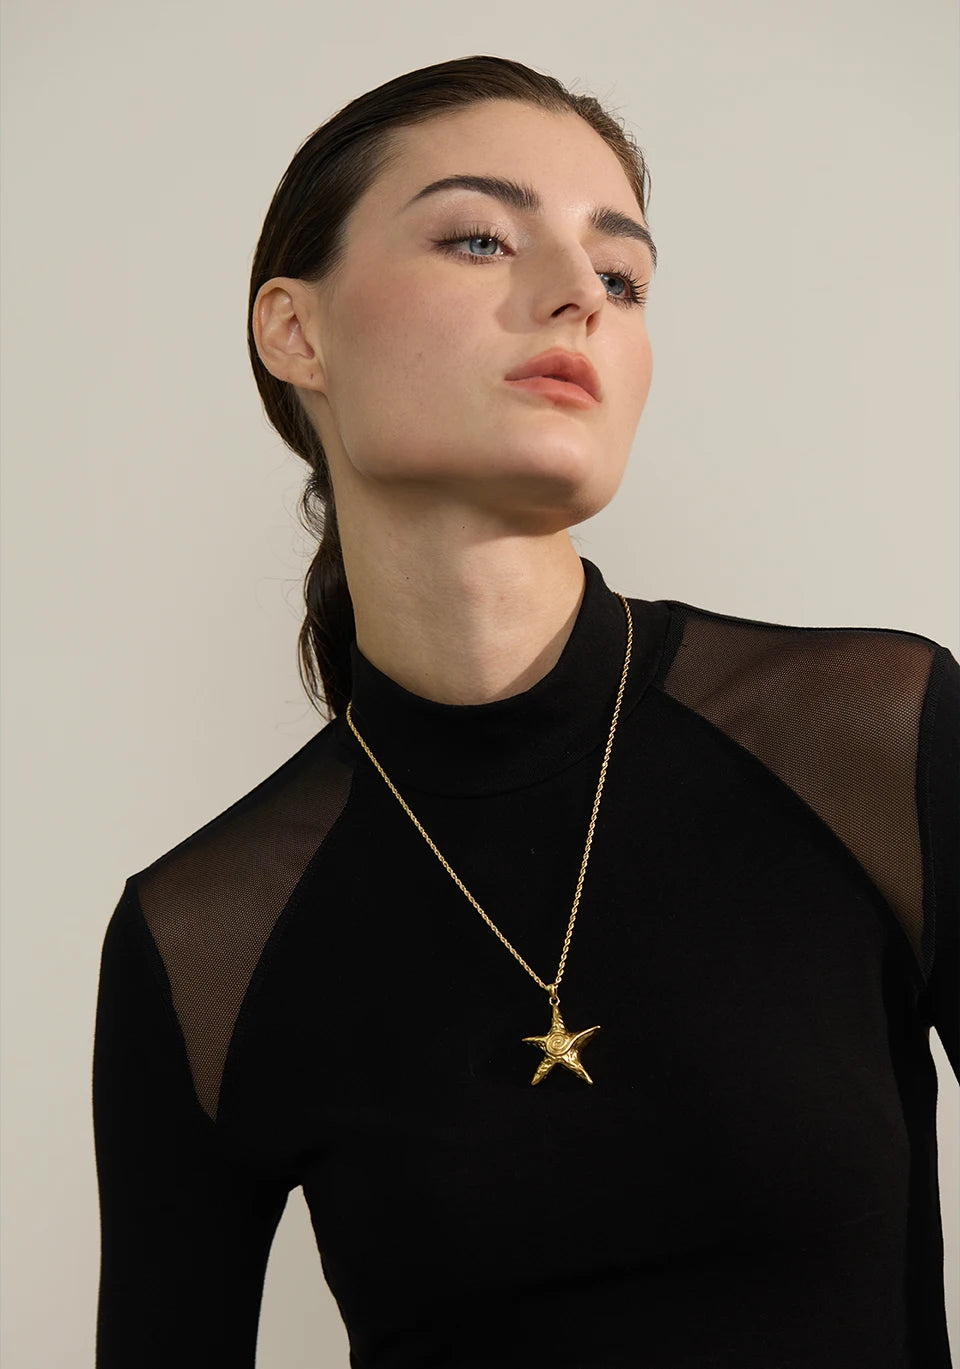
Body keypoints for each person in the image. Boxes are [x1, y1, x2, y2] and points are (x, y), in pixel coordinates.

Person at [92, 54, 958, 1369]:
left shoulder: (871, 740)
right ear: (295, 332)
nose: (579, 296)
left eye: (622, 275)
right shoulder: (205, 937)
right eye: (480, 238)